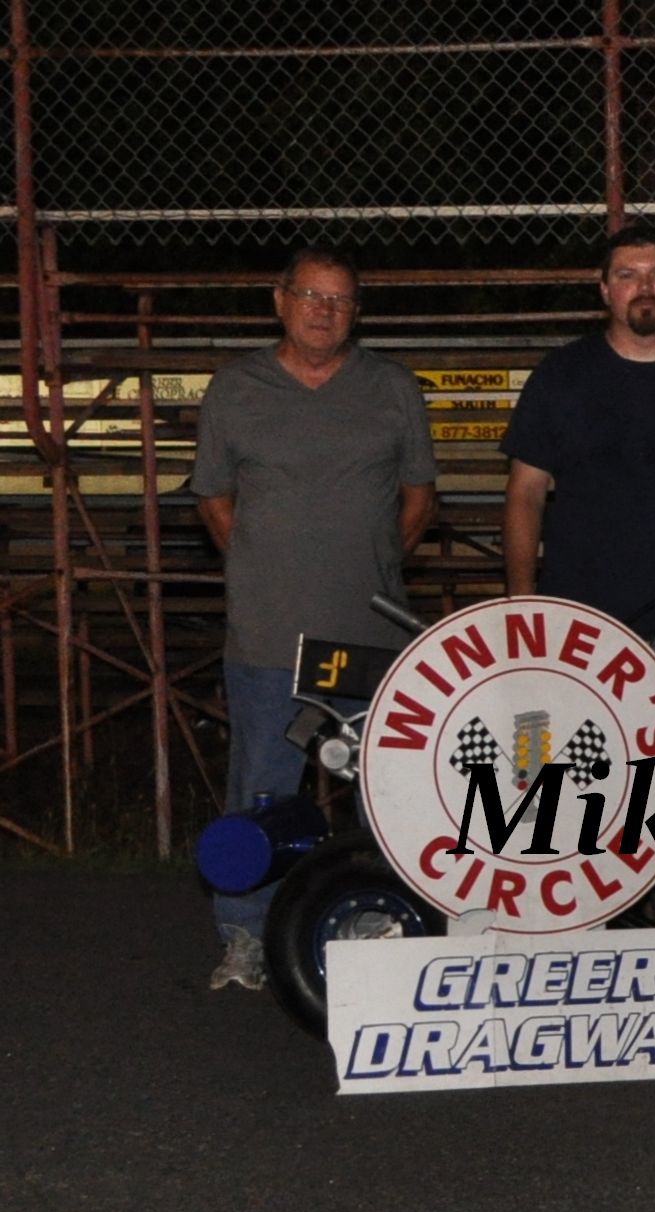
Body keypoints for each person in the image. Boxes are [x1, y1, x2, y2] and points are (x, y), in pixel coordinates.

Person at [189, 246, 437, 990]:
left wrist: (372, 564)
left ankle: (390, 925)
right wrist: (262, 566)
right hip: (269, 635)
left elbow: (419, 498)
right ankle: (246, 938)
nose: (324, 311)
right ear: (280, 300)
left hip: (371, 636)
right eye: (310, 296)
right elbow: (213, 499)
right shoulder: (236, 388)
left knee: (387, 792)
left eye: (340, 300)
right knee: (262, 791)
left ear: (356, 312)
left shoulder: (391, 387)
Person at [502, 223, 655, 639]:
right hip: (578, 623)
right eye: (627, 275)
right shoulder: (560, 374)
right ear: (604, 290)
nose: (645, 287)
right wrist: (522, 601)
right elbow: (525, 494)